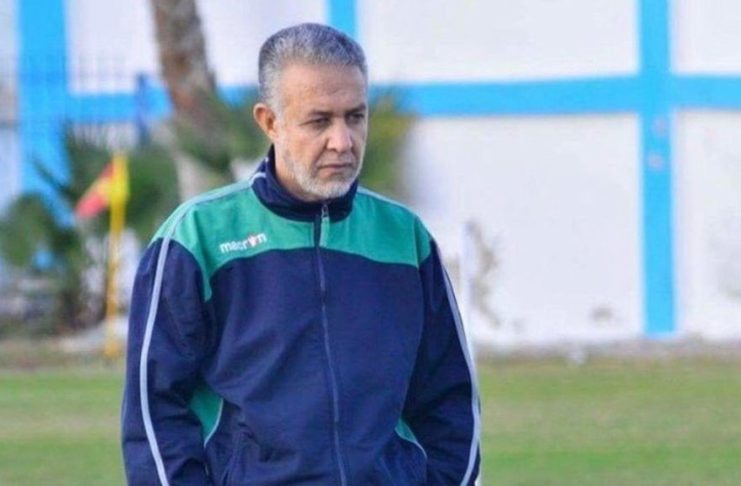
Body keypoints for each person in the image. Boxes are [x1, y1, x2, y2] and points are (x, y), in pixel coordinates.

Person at [122, 23, 480, 485]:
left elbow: (450, 401)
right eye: (319, 121)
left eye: (355, 116)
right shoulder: (196, 239)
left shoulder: (405, 239)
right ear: (270, 122)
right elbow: (155, 411)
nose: (342, 141)